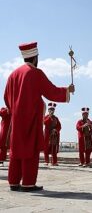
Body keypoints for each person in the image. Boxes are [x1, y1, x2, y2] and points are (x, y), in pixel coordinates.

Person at [4, 42, 75, 192]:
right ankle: (28, 183)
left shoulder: (12, 75)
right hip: (31, 118)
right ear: (35, 57)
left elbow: (6, 97)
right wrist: (67, 90)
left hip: (16, 120)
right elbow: (51, 91)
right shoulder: (35, 73)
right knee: (31, 150)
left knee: (16, 152)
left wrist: (15, 109)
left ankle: (13, 182)